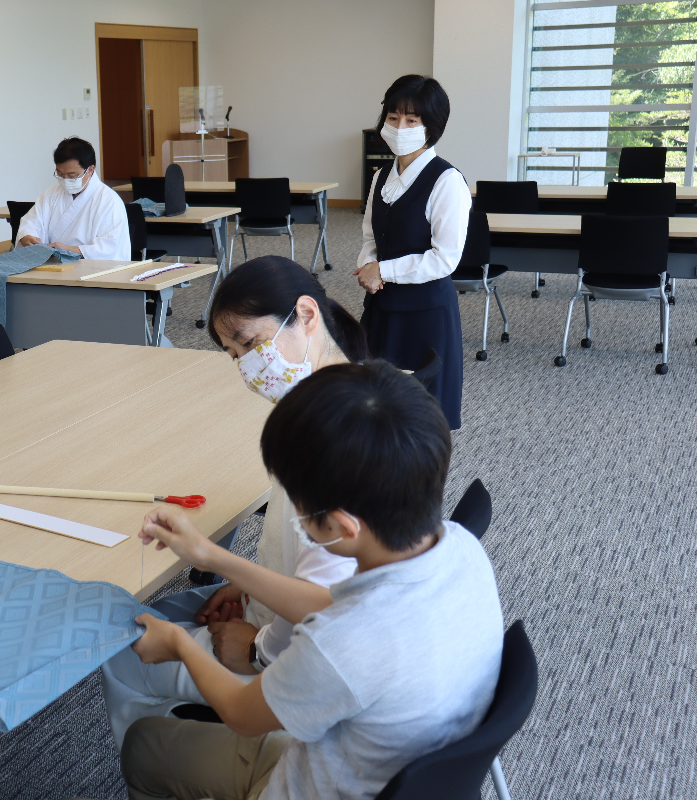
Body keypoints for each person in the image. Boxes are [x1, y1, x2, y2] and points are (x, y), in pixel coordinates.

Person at [119, 361, 504, 800]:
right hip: (376, 764)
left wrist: (179, 644)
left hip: (307, 784)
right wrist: (212, 557)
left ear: (342, 526)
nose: (296, 518)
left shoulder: (340, 645)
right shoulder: (461, 549)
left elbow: (242, 714)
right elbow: (340, 607)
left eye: (298, 507)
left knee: (141, 746)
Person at [101, 256, 366, 749]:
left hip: (298, 659)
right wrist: (247, 586)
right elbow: (308, 561)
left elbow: (327, 608)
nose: (247, 365)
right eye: (233, 354)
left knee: (123, 649)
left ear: (306, 314)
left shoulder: (325, 441)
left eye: (250, 343)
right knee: (166, 609)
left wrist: (257, 650)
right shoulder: (342, 397)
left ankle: (176, 766)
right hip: (292, 622)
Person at [353, 75, 469, 429]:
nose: (399, 127)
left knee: (421, 416)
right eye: (393, 118)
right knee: (374, 407)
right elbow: (370, 236)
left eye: (412, 120)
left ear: (431, 127)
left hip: (425, 314)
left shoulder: (447, 181)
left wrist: (383, 271)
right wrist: (368, 266)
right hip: (381, 306)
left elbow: (445, 258)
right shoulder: (381, 176)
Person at [16, 137, 130, 260]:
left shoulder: (109, 200)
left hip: (89, 266)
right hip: (51, 263)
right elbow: (31, 223)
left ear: (90, 170)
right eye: (60, 174)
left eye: (72, 176)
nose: (65, 180)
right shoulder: (51, 194)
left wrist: (67, 250)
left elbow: (109, 248)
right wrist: (27, 236)